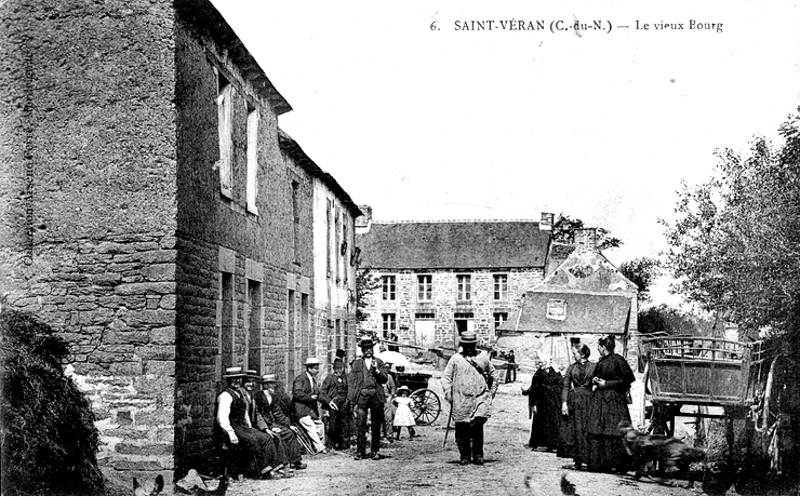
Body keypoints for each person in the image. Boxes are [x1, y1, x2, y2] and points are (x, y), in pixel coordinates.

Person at [441, 331, 501, 466]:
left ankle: (478, 454)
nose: (468, 348)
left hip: (480, 397)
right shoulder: (455, 359)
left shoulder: (483, 357)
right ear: (462, 345)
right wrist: (448, 393)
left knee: (477, 425)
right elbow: (446, 377)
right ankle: (465, 455)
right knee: (462, 429)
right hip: (461, 399)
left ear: (475, 344)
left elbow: (494, 375)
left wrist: (491, 393)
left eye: (471, 345)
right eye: (465, 345)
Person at [215, 367, 283, 479]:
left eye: (239, 379)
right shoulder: (225, 396)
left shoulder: (240, 394)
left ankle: (274, 467)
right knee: (252, 440)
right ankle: (263, 471)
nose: (237, 381)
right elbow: (222, 418)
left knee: (265, 438)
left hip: (243, 427)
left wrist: (250, 428)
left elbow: (245, 413)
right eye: (234, 379)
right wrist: (231, 433)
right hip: (231, 428)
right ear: (228, 381)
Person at [586, 335, 635, 473]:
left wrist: (606, 383)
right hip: (600, 400)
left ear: (603, 347)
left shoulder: (619, 360)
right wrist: (595, 380)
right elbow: (597, 375)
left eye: (599, 347)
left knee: (614, 432)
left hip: (614, 401)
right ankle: (600, 463)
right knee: (598, 430)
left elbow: (627, 381)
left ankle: (616, 464)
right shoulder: (602, 361)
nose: (597, 349)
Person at [241, 370, 293, 478]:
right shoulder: (242, 395)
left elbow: (257, 414)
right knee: (267, 438)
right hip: (244, 427)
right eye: (248, 382)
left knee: (274, 436)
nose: (251, 384)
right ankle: (269, 469)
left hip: (254, 425)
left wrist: (265, 428)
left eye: (253, 382)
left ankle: (281, 466)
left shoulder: (251, 396)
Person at [347, 337, 389, 460]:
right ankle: (360, 452)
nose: (368, 351)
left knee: (376, 424)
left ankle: (375, 451)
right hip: (362, 396)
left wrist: (376, 370)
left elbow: (384, 379)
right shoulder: (356, 364)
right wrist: (352, 400)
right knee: (361, 424)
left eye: (370, 348)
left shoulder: (379, 362)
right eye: (365, 349)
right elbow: (352, 382)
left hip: (376, 395)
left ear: (373, 349)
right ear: (362, 350)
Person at [255, 374, 307, 471]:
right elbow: (258, 415)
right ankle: (283, 464)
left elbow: (277, 413)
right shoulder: (258, 397)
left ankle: (295, 461)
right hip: (261, 425)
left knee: (289, 432)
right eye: (271, 384)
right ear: (265, 385)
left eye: (274, 384)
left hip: (270, 423)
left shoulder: (273, 396)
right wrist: (270, 427)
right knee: (279, 435)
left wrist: (289, 425)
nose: (274, 386)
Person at [559, 344, 596, 469]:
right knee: (576, 430)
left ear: (583, 354)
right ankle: (578, 460)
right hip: (574, 401)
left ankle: (590, 460)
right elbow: (566, 386)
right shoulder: (571, 368)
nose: (573, 355)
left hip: (589, 401)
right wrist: (564, 403)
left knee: (588, 430)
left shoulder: (593, 367)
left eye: (575, 353)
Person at [292, 357, 333, 454]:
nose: (318, 371)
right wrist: (311, 397)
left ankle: (320, 445)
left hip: (310, 411)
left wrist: (329, 402)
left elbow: (319, 394)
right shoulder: (300, 379)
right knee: (311, 426)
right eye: (315, 368)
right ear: (309, 369)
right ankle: (320, 448)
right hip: (301, 410)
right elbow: (297, 394)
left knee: (320, 424)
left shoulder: (313, 380)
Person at [529, 355, 562, 451]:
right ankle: (536, 444)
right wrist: (534, 404)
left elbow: (560, 384)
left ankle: (551, 445)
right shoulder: (537, 374)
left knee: (551, 424)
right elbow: (534, 390)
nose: (540, 364)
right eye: (539, 362)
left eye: (542, 362)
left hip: (552, 403)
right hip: (541, 404)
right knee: (539, 424)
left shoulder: (554, 372)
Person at [320, 358, 349, 450]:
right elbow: (322, 392)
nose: (339, 370)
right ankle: (331, 444)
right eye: (337, 368)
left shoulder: (346, 378)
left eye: (341, 368)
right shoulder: (329, 378)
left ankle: (344, 444)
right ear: (334, 369)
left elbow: (349, 390)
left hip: (344, 404)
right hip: (333, 404)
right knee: (333, 425)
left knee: (344, 424)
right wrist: (329, 401)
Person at [522, 358, 546, 449]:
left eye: (540, 363)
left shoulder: (540, 374)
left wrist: (534, 403)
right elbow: (533, 389)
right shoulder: (539, 373)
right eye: (537, 363)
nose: (538, 365)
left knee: (538, 423)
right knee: (537, 422)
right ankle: (537, 443)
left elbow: (536, 390)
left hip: (539, 402)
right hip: (538, 402)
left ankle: (537, 443)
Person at [381, 361, 397, 442]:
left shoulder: (389, 377)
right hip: (378, 399)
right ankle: (380, 435)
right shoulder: (376, 376)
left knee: (388, 416)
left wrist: (391, 396)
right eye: (384, 367)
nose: (386, 369)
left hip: (387, 398)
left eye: (388, 367)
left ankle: (389, 434)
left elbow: (393, 387)